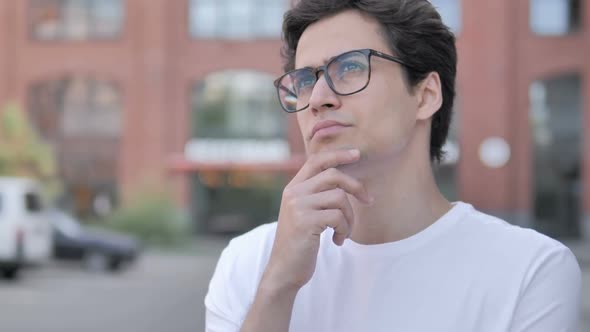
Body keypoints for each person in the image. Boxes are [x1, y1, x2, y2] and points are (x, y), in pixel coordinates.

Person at [205, 1, 581, 331]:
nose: (317, 98)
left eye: (350, 66)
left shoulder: (528, 270)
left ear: (425, 95)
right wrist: (278, 286)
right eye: (304, 81)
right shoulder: (251, 260)